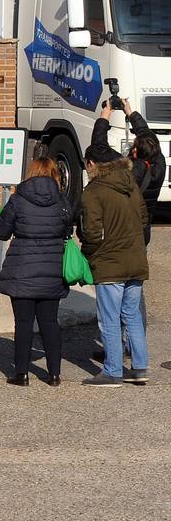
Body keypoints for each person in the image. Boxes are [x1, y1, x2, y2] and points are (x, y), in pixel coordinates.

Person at [0, 157, 72, 386]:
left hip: (22, 268)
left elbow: (1, 232)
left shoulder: (18, 200)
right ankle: (54, 374)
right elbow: (68, 230)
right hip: (52, 267)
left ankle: (22, 374)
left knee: (24, 323)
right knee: (50, 322)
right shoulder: (63, 201)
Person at [79, 142, 150, 386]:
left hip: (109, 263)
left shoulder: (93, 192)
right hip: (136, 259)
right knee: (132, 316)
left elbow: (91, 232)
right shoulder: (131, 184)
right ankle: (140, 367)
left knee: (109, 319)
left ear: (91, 164)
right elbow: (143, 220)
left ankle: (112, 371)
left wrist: (88, 255)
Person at [91, 96, 165, 227]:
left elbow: (99, 146)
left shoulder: (126, 169)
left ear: (135, 150)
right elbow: (147, 134)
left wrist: (105, 115)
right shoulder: (160, 164)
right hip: (143, 228)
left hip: (124, 229)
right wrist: (130, 113)